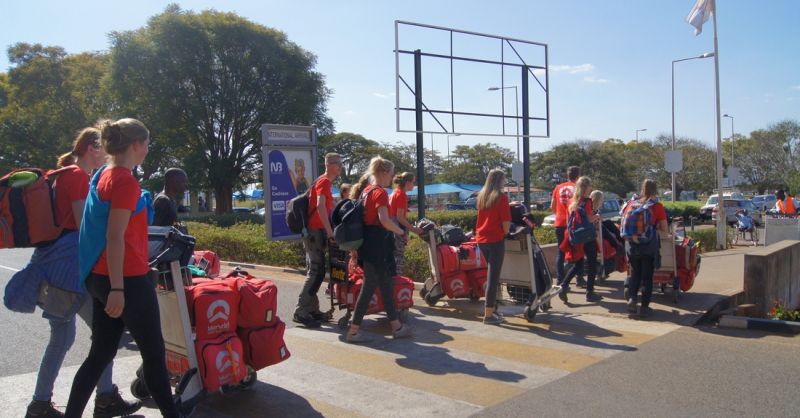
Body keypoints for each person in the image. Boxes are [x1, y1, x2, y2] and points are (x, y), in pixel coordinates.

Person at [8, 128, 140, 418]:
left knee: (62, 336)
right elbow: (85, 227)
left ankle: (40, 403)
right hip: (70, 269)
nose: (107, 153)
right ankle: (103, 399)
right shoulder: (79, 177)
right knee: (107, 334)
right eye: (103, 147)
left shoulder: (59, 174)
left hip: (52, 264)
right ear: (92, 148)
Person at [65, 118, 181, 418]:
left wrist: (110, 286)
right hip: (126, 279)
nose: (147, 149)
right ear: (136, 145)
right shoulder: (124, 181)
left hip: (100, 276)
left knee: (100, 355)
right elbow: (114, 236)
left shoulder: (104, 173)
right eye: (147, 143)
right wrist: (118, 288)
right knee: (155, 354)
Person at [345, 157, 413, 343]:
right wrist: (401, 232)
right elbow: (384, 219)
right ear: (383, 173)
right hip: (378, 245)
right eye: (391, 174)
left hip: (367, 244)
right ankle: (353, 331)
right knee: (370, 287)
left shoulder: (366, 191)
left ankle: (396, 326)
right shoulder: (380, 193)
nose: (392, 178)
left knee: (384, 285)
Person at [293, 153, 342, 328]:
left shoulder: (324, 182)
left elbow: (327, 206)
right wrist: (330, 232)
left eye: (341, 163)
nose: (340, 167)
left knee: (317, 272)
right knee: (316, 272)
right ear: (328, 164)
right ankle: (301, 310)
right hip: (315, 232)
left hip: (314, 232)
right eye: (337, 163)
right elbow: (321, 207)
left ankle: (312, 309)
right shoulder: (324, 182)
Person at [625, 179, 668, 318]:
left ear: (642, 189)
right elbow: (664, 230)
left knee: (635, 273)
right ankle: (644, 307)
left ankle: (632, 299)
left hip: (633, 245)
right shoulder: (657, 206)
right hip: (649, 246)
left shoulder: (633, 203)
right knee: (647, 277)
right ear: (655, 190)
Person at [557, 176, 603, 302]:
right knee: (592, 264)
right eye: (590, 185)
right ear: (587, 187)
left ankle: (564, 285)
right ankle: (590, 292)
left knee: (578, 264)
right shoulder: (587, 201)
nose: (591, 187)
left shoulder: (572, 201)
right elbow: (588, 219)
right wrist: (597, 216)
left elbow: (569, 221)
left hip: (575, 236)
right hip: (587, 236)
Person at [475, 169, 511, 325]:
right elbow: (506, 225)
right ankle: (488, 314)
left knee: (490, 275)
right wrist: (506, 232)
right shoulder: (501, 198)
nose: (505, 181)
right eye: (504, 178)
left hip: (482, 239)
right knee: (493, 277)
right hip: (496, 239)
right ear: (499, 180)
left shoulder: (482, 196)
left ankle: (493, 309)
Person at [551, 167, 583, 287]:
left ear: (567, 175)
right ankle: (579, 278)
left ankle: (560, 279)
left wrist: (560, 214)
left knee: (561, 252)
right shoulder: (578, 187)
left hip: (560, 223)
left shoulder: (558, 187)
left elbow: (552, 206)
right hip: (574, 224)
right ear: (578, 175)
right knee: (579, 251)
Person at [389, 172, 423, 276]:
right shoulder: (401, 195)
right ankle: (397, 282)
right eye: (413, 182)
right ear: (407, 183)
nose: (414, 184)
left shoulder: (395, 192)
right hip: (397, 230)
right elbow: (400, 217)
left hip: (391, 229)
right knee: (399, 257)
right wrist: (414, 230)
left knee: (393, 257)